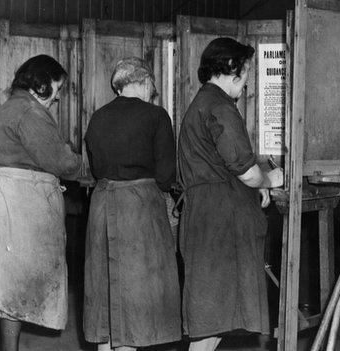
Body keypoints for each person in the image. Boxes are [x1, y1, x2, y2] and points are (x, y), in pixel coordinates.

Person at [177, 37, 284, 351]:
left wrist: (254, 189)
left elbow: (221, 167)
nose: (247, 81)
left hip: (206, 216)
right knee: (213, 316)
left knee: (214, 317)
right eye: (246, 72)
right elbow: (247, 171)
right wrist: (271, 179)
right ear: (233, 69)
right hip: (220, 224)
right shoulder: (221, 107)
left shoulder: (201, 103)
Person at [0, 55, 83, 351]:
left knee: (11, 293)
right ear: (42, 84)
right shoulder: (28, 111)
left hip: (11, 203)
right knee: (11, 293)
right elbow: (61, 162)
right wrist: (88, 166)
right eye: (57, 90)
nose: (57, 98)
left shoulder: (17, 106)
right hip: (14, 206)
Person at [83, 57, 181, 351]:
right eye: (152, 85)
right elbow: (165, 176)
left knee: (107, 297)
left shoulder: (97, 117)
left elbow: (93, 169)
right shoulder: (156, 116)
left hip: (101, 205)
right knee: (136, 300)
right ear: (144, 81)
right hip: (139, 210)